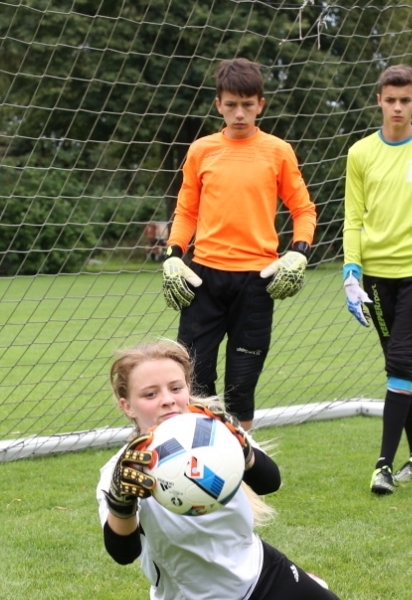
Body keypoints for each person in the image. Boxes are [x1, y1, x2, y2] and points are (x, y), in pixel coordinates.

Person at [97, 341, 395, 600]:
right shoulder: (120, 473)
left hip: (262, 574)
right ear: (126, 405)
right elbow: (123, 552)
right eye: (150, 393)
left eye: (176, 387)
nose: (167, 400)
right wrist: (121, 502)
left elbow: (271, 482)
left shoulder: (215, 434)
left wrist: (244, 450)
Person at [161, 57, 318, 431]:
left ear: (260, 104)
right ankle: (197, 460)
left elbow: (304, 209)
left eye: (248, 105)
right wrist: (173, 256)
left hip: (256, 282)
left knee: (241, 386)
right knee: (195, 382)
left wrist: (298, 252)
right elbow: (186, 212)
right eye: (231, 105)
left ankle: (242, 469)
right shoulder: (201, 150)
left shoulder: (278, 151)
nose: (239, 113)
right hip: (204, 282)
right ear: (218, 105)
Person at [341, 65, 412, 494]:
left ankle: (383, 466)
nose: (397, 108)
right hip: (373, 278)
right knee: (400, 370)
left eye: (405, 100)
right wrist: (351, 271)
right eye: (390, 100)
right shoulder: (359, 153)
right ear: (379, 101)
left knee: (401, 366)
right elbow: (353, 217)